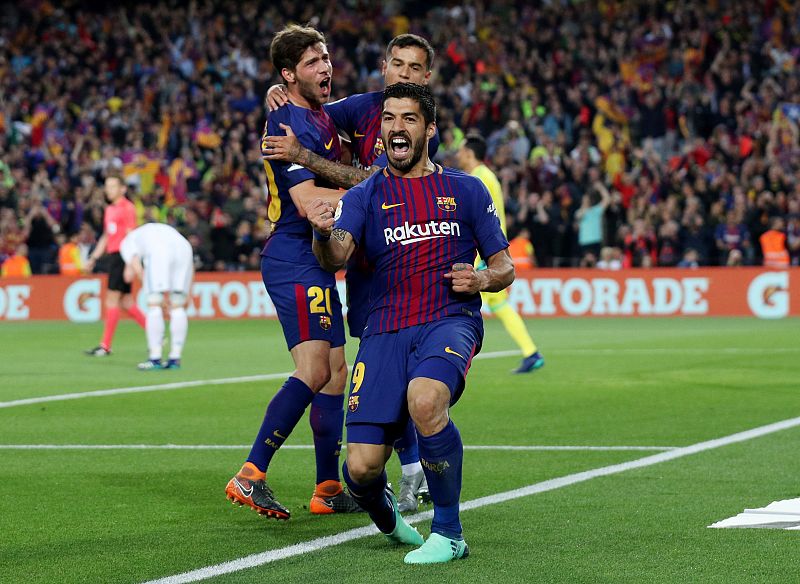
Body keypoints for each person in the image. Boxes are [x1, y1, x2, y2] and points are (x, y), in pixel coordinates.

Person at [307, 83, 514, 564]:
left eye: (408, 119)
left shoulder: (465, 189)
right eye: (389, 119)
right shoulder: (365, 195)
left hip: (448, 320)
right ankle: (392, 523)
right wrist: (321, 235)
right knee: (360, 469)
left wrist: (481, 277)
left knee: (426, 399)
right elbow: (336, 253)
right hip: (383, 330)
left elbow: (505, 267)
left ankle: (449, 532)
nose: (396, 128)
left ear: (429, 129)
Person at [263, 33, 438, 513]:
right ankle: (353, 483)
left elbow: (377, 182)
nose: (404, 74)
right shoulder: (361, 107)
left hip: (402, 257)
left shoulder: (419, 129)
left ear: (427, 78)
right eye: (397, 64)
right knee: (364, 367)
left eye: (414, 67)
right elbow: (306, 111)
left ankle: (412, 470)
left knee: (396, 367)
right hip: (356, 259)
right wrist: (276, 98)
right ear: (384, 67)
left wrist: (303, 158)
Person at [224, 24, 359, 521]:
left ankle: (326, 488)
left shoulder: (320, 116)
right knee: (315, 369)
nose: (325, 67)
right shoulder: (288, 126)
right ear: (288, 74)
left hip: (316, 258)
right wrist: (378, 196)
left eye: (326, 57)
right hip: (295, 255)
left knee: (336, 372)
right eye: (312, 62)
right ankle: (251, 473)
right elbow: (305, 202)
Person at [457, 134, 545, 373]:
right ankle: (531, 352)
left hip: (485, 255)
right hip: (489, 253)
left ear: (469, 153)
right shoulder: (486, 176)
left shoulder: (479, 178)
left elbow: (477, 220)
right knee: (497, 306)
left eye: (461, 150)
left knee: (463, 306)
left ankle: (452, 358)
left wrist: (481, 257)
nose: (457, 154)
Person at [84, 171, 146, 356]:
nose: (108, 190)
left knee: (111, 300)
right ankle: (156, 332)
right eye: (107, 186)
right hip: (113, 256)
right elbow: (106, 235)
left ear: (123, 189)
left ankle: (105, 345)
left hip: (122, 255)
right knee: (126, 302)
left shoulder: (128, 208)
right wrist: (93, 257)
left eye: (112, 186)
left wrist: (129, 263)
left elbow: (131, 236)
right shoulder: (110, 209)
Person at [118, 223, 193, 370]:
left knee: (154, 305)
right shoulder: (150, 231)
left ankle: (155, 358)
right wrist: (189, 292)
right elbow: (192, 268)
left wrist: (152, 291)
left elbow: (134, 270)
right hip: (185, 247)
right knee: (178, 306)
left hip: (160, 249)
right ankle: (175, 358)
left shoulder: (127, 242)